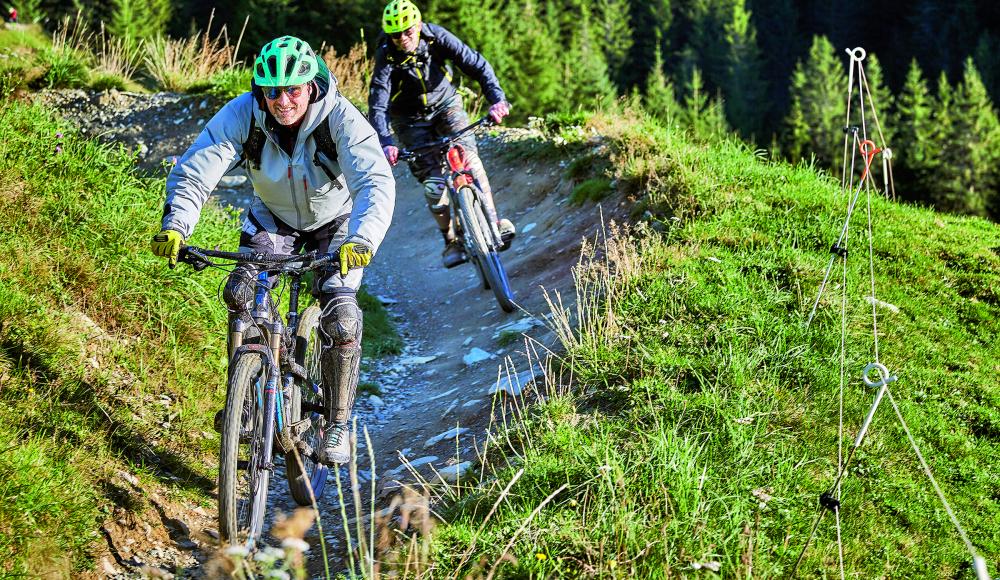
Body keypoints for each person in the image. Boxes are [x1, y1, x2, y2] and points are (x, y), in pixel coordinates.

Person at [150, 36, 395, 465]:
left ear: (311, 85)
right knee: (241, 293)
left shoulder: (339, 118)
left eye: (292, 90)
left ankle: (337, 425)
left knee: (342, 317)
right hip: (274, 217)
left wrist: (363, 239)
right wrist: (176, 225)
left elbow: (375, 181)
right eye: (272, 91)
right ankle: (244, 399)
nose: (282, 100)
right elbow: (197, 169)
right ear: (260, 89)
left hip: (337, 223)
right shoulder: (244, 113)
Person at [369, 0, 514, 268]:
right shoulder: (387, 55)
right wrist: (386, 142)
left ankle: (494, 222)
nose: (402, 39)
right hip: (409, 120)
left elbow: (477, 65)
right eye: (395, 34)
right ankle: (450, 241)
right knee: (434, 186)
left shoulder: (437, 37)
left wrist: (497, 100)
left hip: (446, 105)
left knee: (469, 160)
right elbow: (377, 102)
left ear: (419, 25)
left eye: (408, 31)